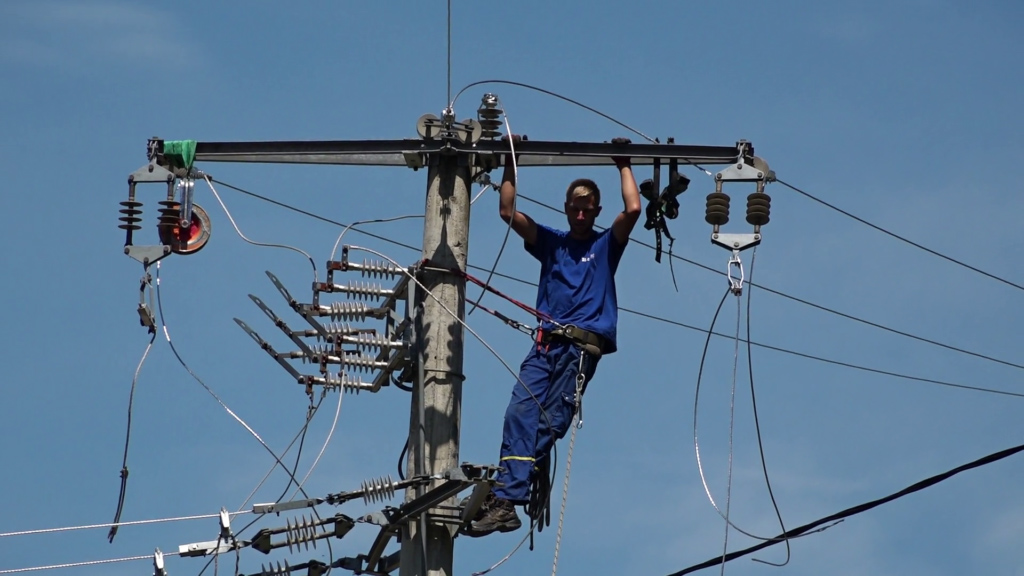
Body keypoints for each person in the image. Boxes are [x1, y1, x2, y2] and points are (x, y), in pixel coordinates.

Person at [464, 137, 641, 537]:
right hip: (544, 346)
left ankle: (509, 492)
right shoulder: (552, 244)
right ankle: (508, 494)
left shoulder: (604, 245)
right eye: (574, 208)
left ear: (595, 211)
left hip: (578, 350)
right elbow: (507, 211)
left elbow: (633, 209)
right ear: (566, 209)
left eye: (587, 208)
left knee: (551, 423)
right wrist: (513, 162)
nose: (580, 214)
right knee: (518, 413)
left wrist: (623, 164)